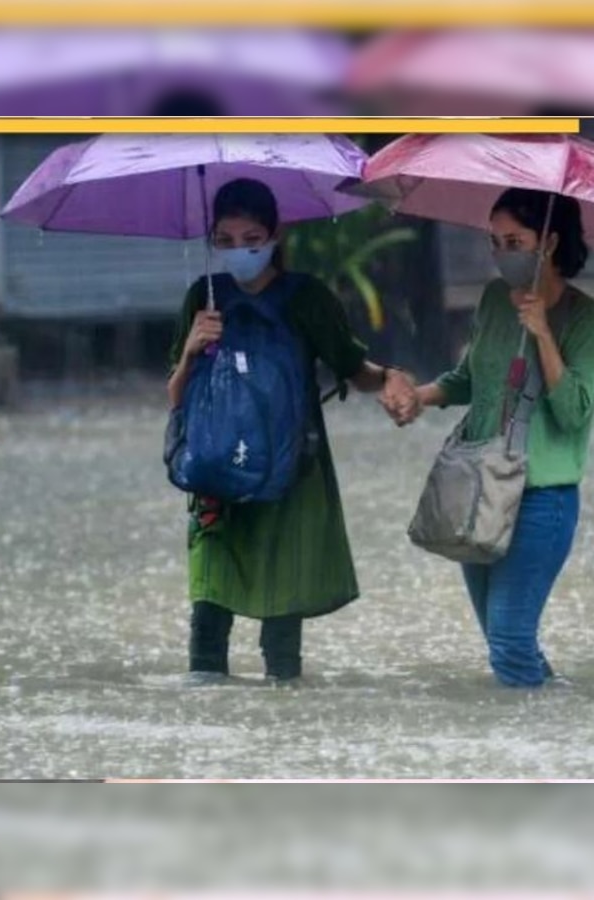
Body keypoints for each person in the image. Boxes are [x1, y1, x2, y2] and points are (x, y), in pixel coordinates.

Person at [167, 177, 416, 685]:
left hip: (291, 474)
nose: (239, 250)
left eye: (252, 238)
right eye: (226, 240)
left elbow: (353, 369)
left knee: (282, 633)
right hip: (216, 475)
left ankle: (284, 733)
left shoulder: (309, 298)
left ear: (276, 234)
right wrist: (192, 349)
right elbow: (176, 398)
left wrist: (389, 377)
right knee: (208, 613)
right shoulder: (202, 296)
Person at [384, 188, 594, 688]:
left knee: (509, 639)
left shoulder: (583, 317)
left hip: (541, 499)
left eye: (514, 241)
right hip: (480, 491)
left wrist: (545, 334)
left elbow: (574, 413)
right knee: (505, 642)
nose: (503, 254)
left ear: (547, 241)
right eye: (495, 242)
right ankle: (554, 726)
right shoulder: (491, 298)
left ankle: (532, 755)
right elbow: (469, 379)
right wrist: (418, 397)